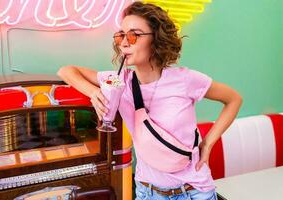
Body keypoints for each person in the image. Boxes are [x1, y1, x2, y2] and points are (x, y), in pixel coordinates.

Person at [57, 2, 242, 200]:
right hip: (148, 192)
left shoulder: (185, 79)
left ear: (156, 39)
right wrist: (93, 92)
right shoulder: (120, 81)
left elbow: (233, 99)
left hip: (193, 191)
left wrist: (208, 144)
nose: (124, 43)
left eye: (133, 35)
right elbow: (66, 70)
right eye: (121, 35)